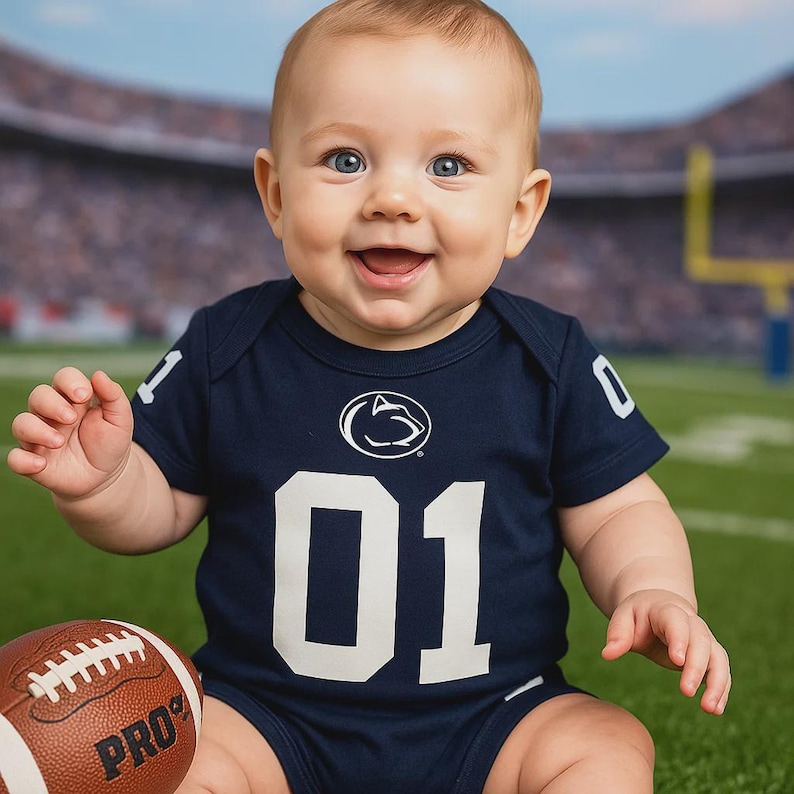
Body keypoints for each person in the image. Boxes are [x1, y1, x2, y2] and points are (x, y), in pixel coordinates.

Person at [7, 1, 731, 791]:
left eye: (447, 166)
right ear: (275, 193)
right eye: (346, 160)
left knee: (605, 744)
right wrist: (108, 483)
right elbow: (163, 508)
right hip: (268, 716)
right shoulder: (227, 344)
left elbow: (619, 510)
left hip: (495, 713)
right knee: (194, 763)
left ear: (520, 212)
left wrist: (655, 588)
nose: (392, 198)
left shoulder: (548, 358)